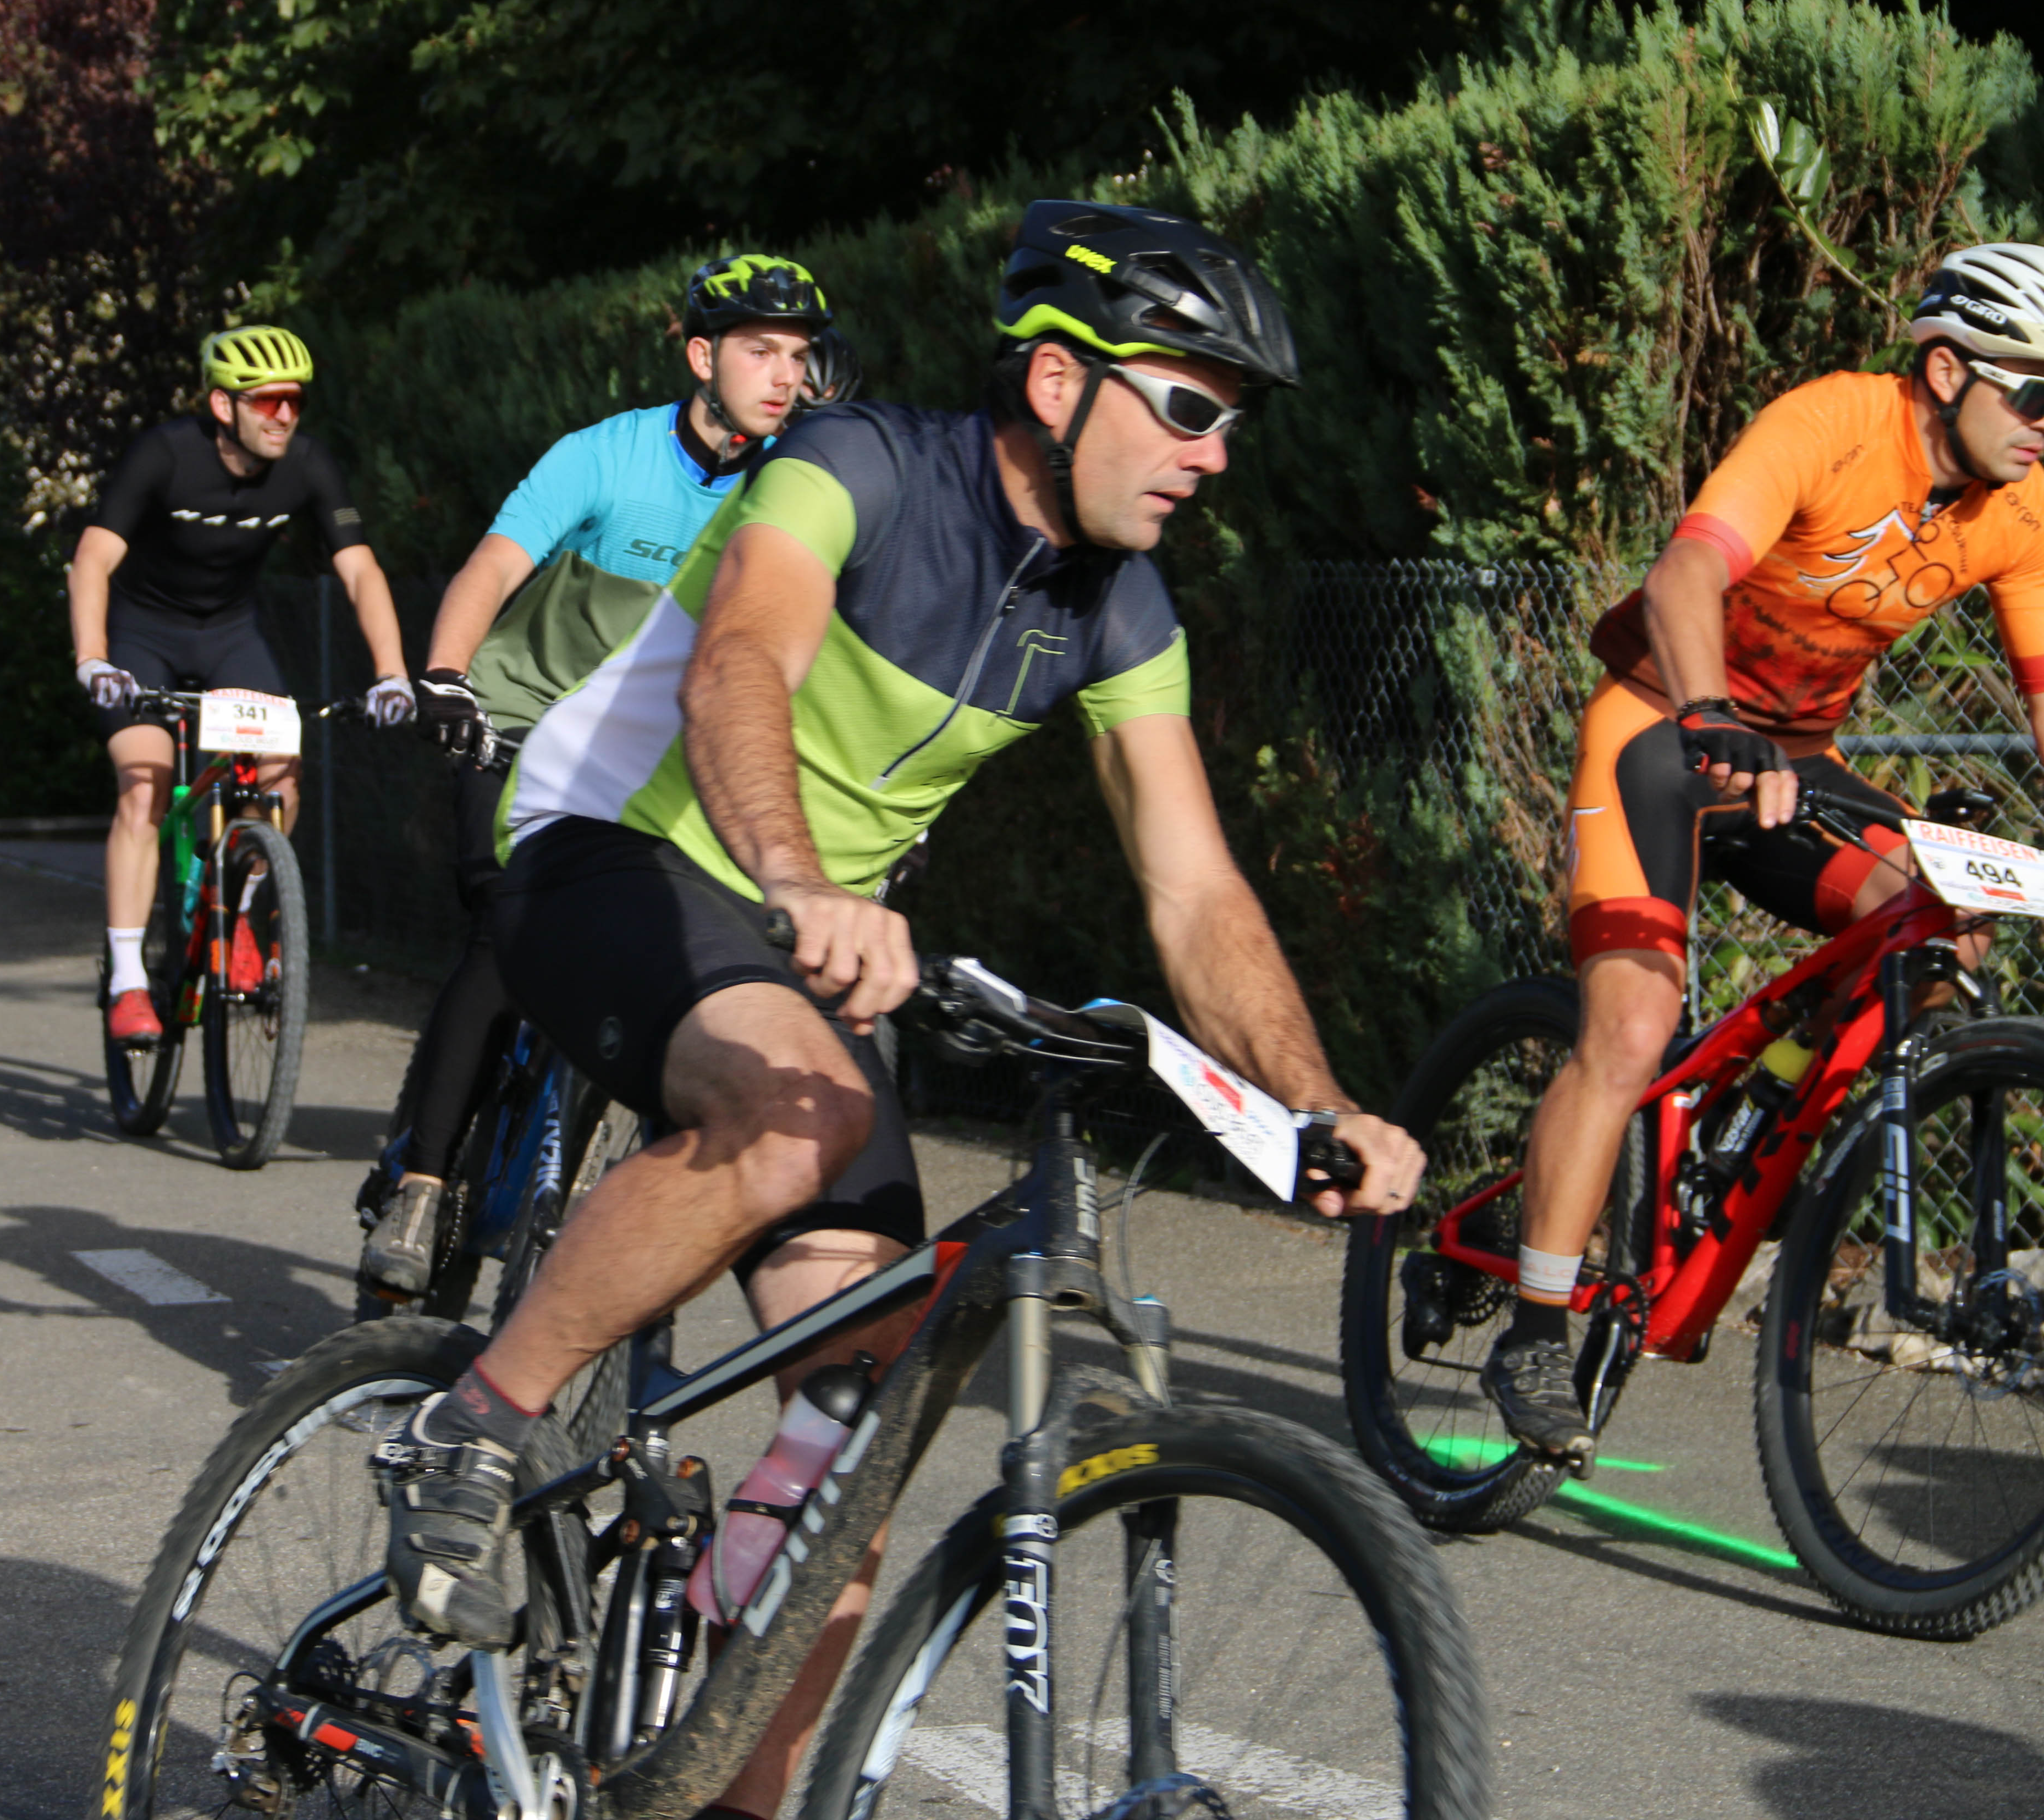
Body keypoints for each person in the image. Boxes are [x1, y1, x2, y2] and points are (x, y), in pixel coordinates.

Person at [374, 201, 1424, 1815]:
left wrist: (1314, 1099)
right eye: (1187, 407)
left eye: (1231, 423)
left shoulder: (1117, 607)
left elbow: (1194, 886)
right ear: (1060, 382)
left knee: (842, 1470)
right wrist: (800, 881)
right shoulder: (855, 464)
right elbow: (738, 663)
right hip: (612, 848)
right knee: (792, 1112)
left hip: (806, 940)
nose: (1213, 454)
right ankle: (478, 1420)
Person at [1485, 242, 2044, 1465]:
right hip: (1661, 733)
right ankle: (1530, 1327)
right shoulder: (1835, 421)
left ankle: (1751, 1116)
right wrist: (1707, 711)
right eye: (2036, 392)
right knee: (1632, 1024)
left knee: (1939, 930)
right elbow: (1687, 569)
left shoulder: (2020, 509)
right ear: (1947, 370)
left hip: (1794, 764)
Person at [359, 255, 839, 1294]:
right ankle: (422, 1187)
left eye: (799, 357)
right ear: (701, 357)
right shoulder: (604, 455)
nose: (785, 377)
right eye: (761, 351)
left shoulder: (789, 490)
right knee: (506, 940)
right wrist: (447, 679)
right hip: (522, 724)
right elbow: (492, 567)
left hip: (646, 761)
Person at [69, 324, 415, 1043]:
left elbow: (359, 569)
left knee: (281, 775)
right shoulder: (165, 454)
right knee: (144, 784)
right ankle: (129, 979)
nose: (285, 416)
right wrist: (93, 659)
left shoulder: (309, 466)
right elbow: (94, 558)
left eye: (295, 401)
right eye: (267, 402)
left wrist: (393, 675)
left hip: (229, 634)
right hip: (142, 636)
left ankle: (246, 914)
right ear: (224, 406)